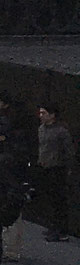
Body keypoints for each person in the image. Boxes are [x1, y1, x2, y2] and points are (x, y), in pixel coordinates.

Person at [37, 103, 73, 240]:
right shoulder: (41, 129)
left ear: (52, 115)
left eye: (44, 113)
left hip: (58, 168)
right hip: (45, 167)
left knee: (59, 200)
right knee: (50, 199)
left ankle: (61, 230)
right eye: (40, 113)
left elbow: (68, 151)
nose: (41, 116)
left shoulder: (61, 131)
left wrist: (67, 168)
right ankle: (53, 226)